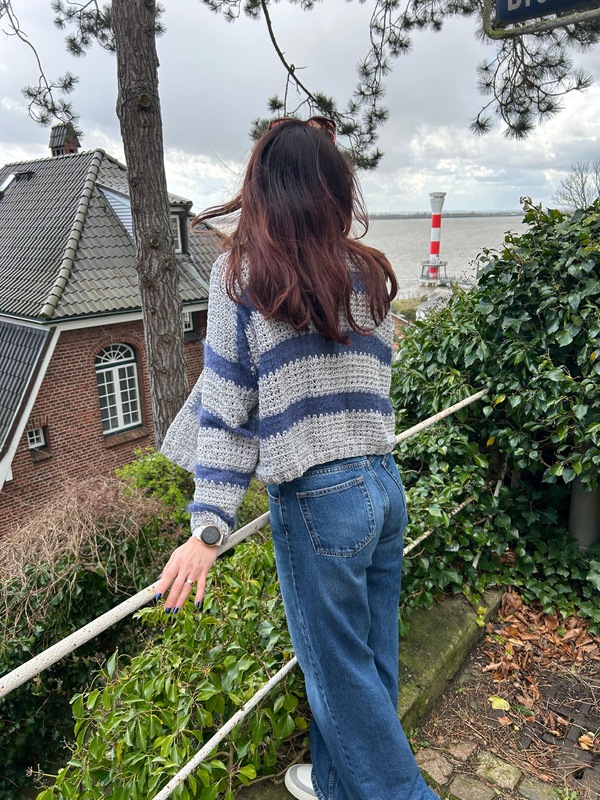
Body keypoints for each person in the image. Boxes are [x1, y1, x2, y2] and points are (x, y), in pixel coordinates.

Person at [157, 116, 439, 800]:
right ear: (334, 190)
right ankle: (338, 783)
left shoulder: (240, 275)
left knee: (338, 677)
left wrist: (207, 526)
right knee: (370, 658)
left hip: (320, 500)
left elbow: (228, 413)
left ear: (262, 187)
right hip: (383, 485)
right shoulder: (366, 270)